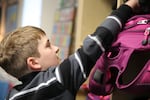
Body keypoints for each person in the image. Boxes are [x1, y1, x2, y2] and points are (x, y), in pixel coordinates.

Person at [0, 0, 141, 100]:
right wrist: (128, 6)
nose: (56, 48)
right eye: (48, 45)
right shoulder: (56, 80)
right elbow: (95, 44)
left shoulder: (12, 95)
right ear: (34, 63)